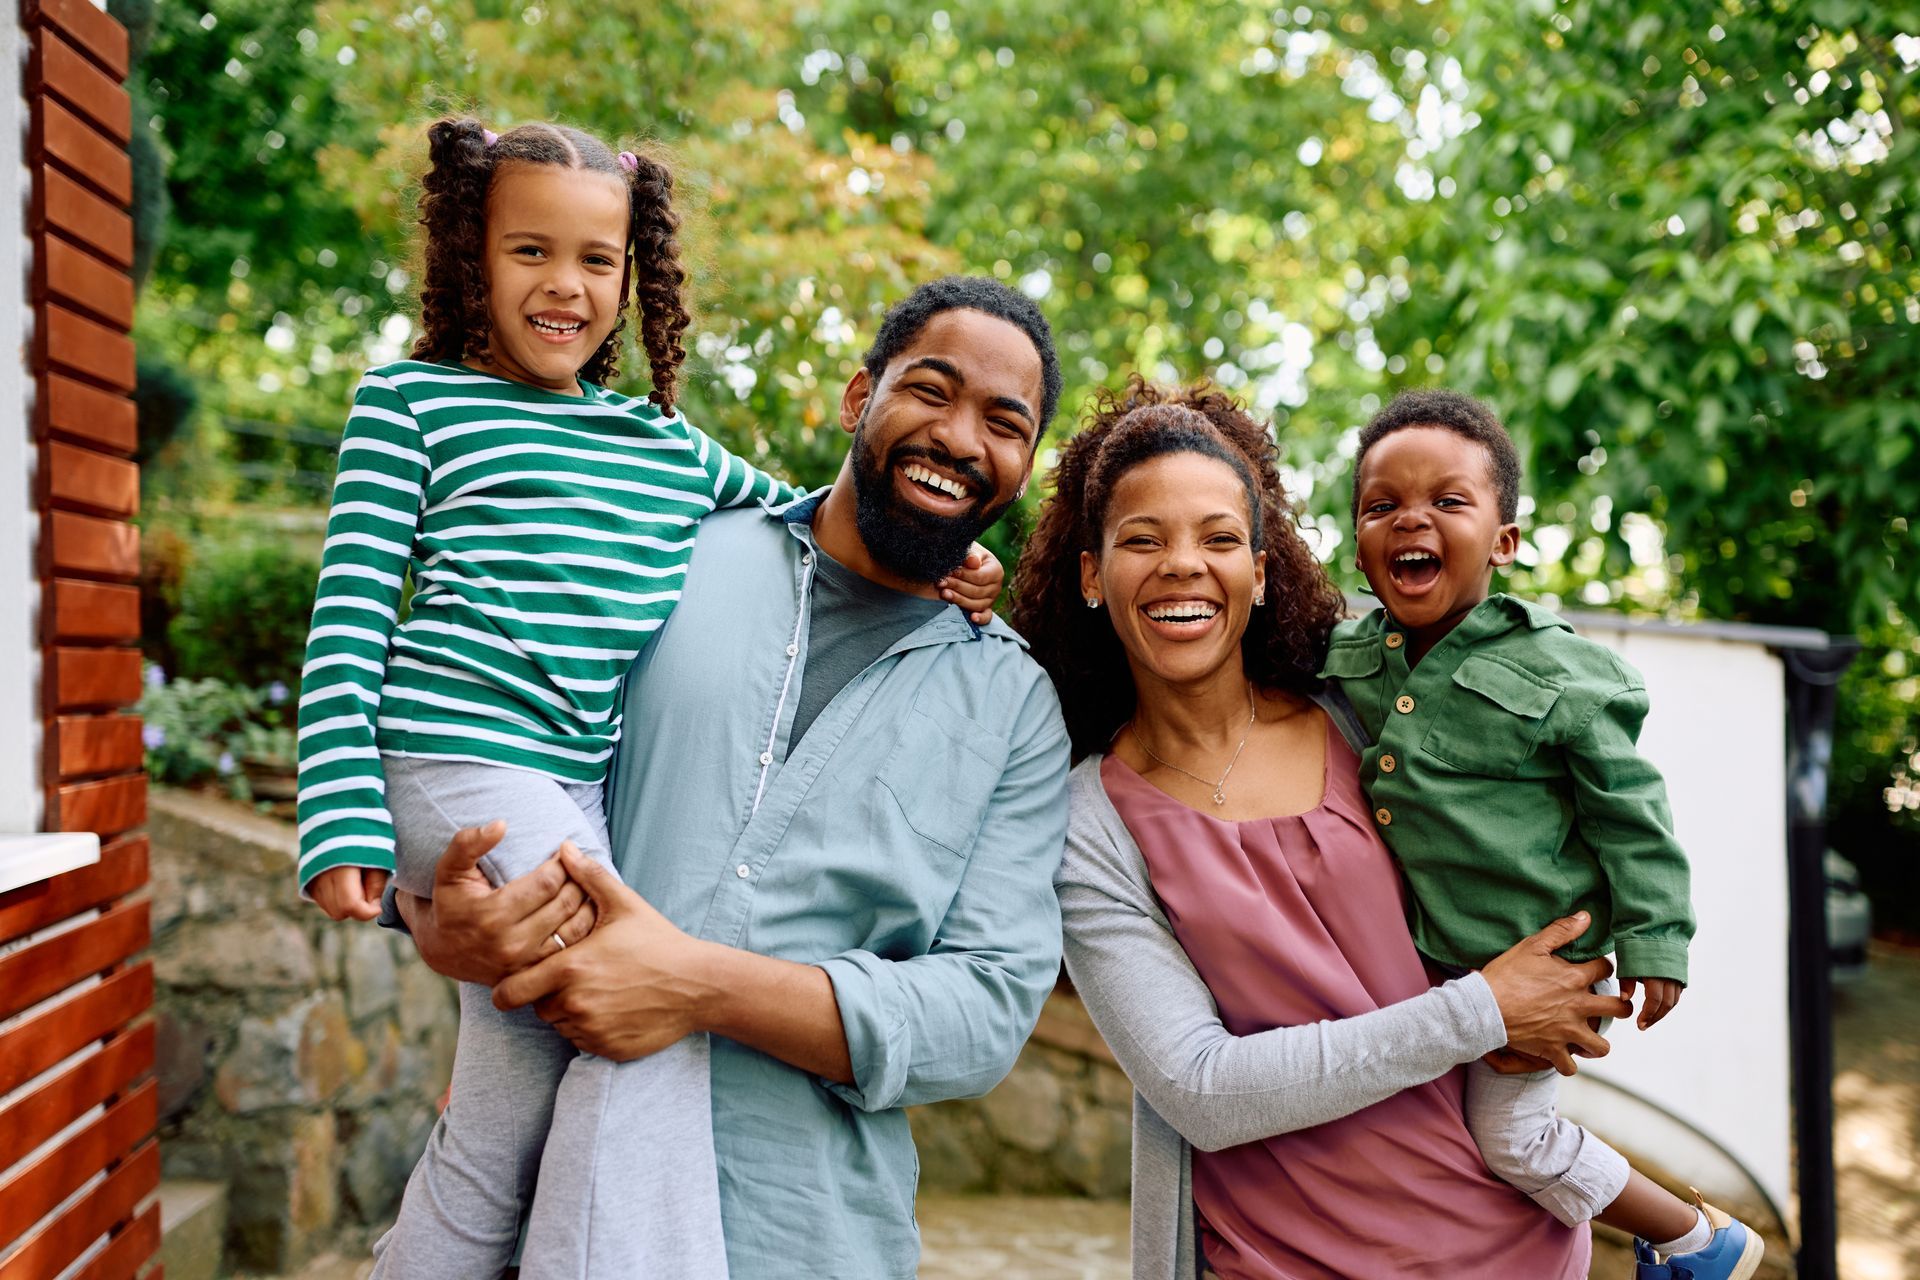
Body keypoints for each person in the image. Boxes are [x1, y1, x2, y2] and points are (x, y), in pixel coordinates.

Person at [294, 121, 1001, 1278]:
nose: (564, 285)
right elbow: (349, 616)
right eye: (530, 250)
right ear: (473, 255)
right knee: (648, 1004)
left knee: (499, 1118)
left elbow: (814, 515)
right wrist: (341, 821)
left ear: (634, 275)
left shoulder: (660, 444)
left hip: (573, 782)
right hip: (455, 758)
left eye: (596, 258)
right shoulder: (409, 404)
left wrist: (942, 556)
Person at [391, 275, 1072, 1279]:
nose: (963, 437)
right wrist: (431, 917)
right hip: (530, 1205)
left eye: (1004, 423)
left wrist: (698, 985)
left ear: (1022, 465)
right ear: (858, 398)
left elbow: (982, 1010)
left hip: (810, 1237)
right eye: (931, 390)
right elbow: (500, 729)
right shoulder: (667, 557)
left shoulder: (1017, 708)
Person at [1011, 377, 1629, 1279]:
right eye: (1143, 540)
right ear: (1091, 575)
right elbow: (1202, 1090)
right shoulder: (1087, 826)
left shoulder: (1366, 721)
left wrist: (1578, 967)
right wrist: (1482, 1011)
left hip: (1512, 1247)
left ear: (1260, 573)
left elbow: (1547, 834)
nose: (1184, 564)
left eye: (1220, 538)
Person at [1324, 388, 1761, 1279]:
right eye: (1382, 506)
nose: (1413, 519)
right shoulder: (1347, 652)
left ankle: (1695, 1239)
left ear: (1505, 540)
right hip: (1428, 972)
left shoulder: (1559, 665)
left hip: (1538, 966)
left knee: (1513, 1138)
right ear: (1361, 542)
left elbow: (1630, 810)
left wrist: (1657, 940)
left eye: (1449, 501)